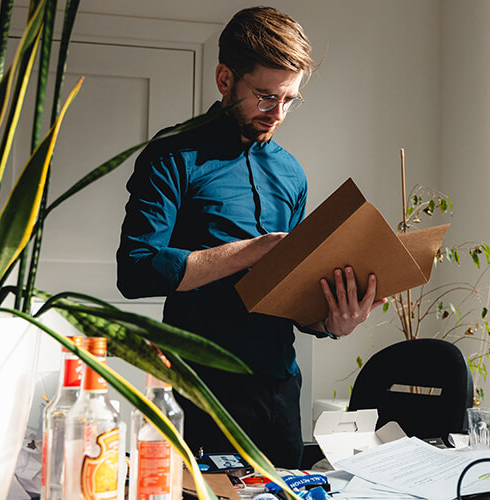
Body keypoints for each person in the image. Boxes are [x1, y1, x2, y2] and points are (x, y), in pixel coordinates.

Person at [116, 6, 384, 468]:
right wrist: (254, 251)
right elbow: (136, 269)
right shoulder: (172, 155)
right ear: (225, 79)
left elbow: (293, 300)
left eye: (289, 99)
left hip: (280, 394)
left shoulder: (291, 173)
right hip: (200, 391)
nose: (277, 113)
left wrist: (332, 323)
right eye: (264, 97)